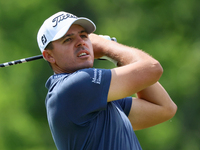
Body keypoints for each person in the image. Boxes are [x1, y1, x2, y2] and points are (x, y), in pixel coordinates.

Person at [37, 11, 177, 150]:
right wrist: (107, 46)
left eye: (84, 36)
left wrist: (113, 54)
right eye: (68, 39)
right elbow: (152, 69)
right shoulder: (75, 86)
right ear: (49, 56)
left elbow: (164, 108)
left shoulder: (96, 97)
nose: (81, 42)